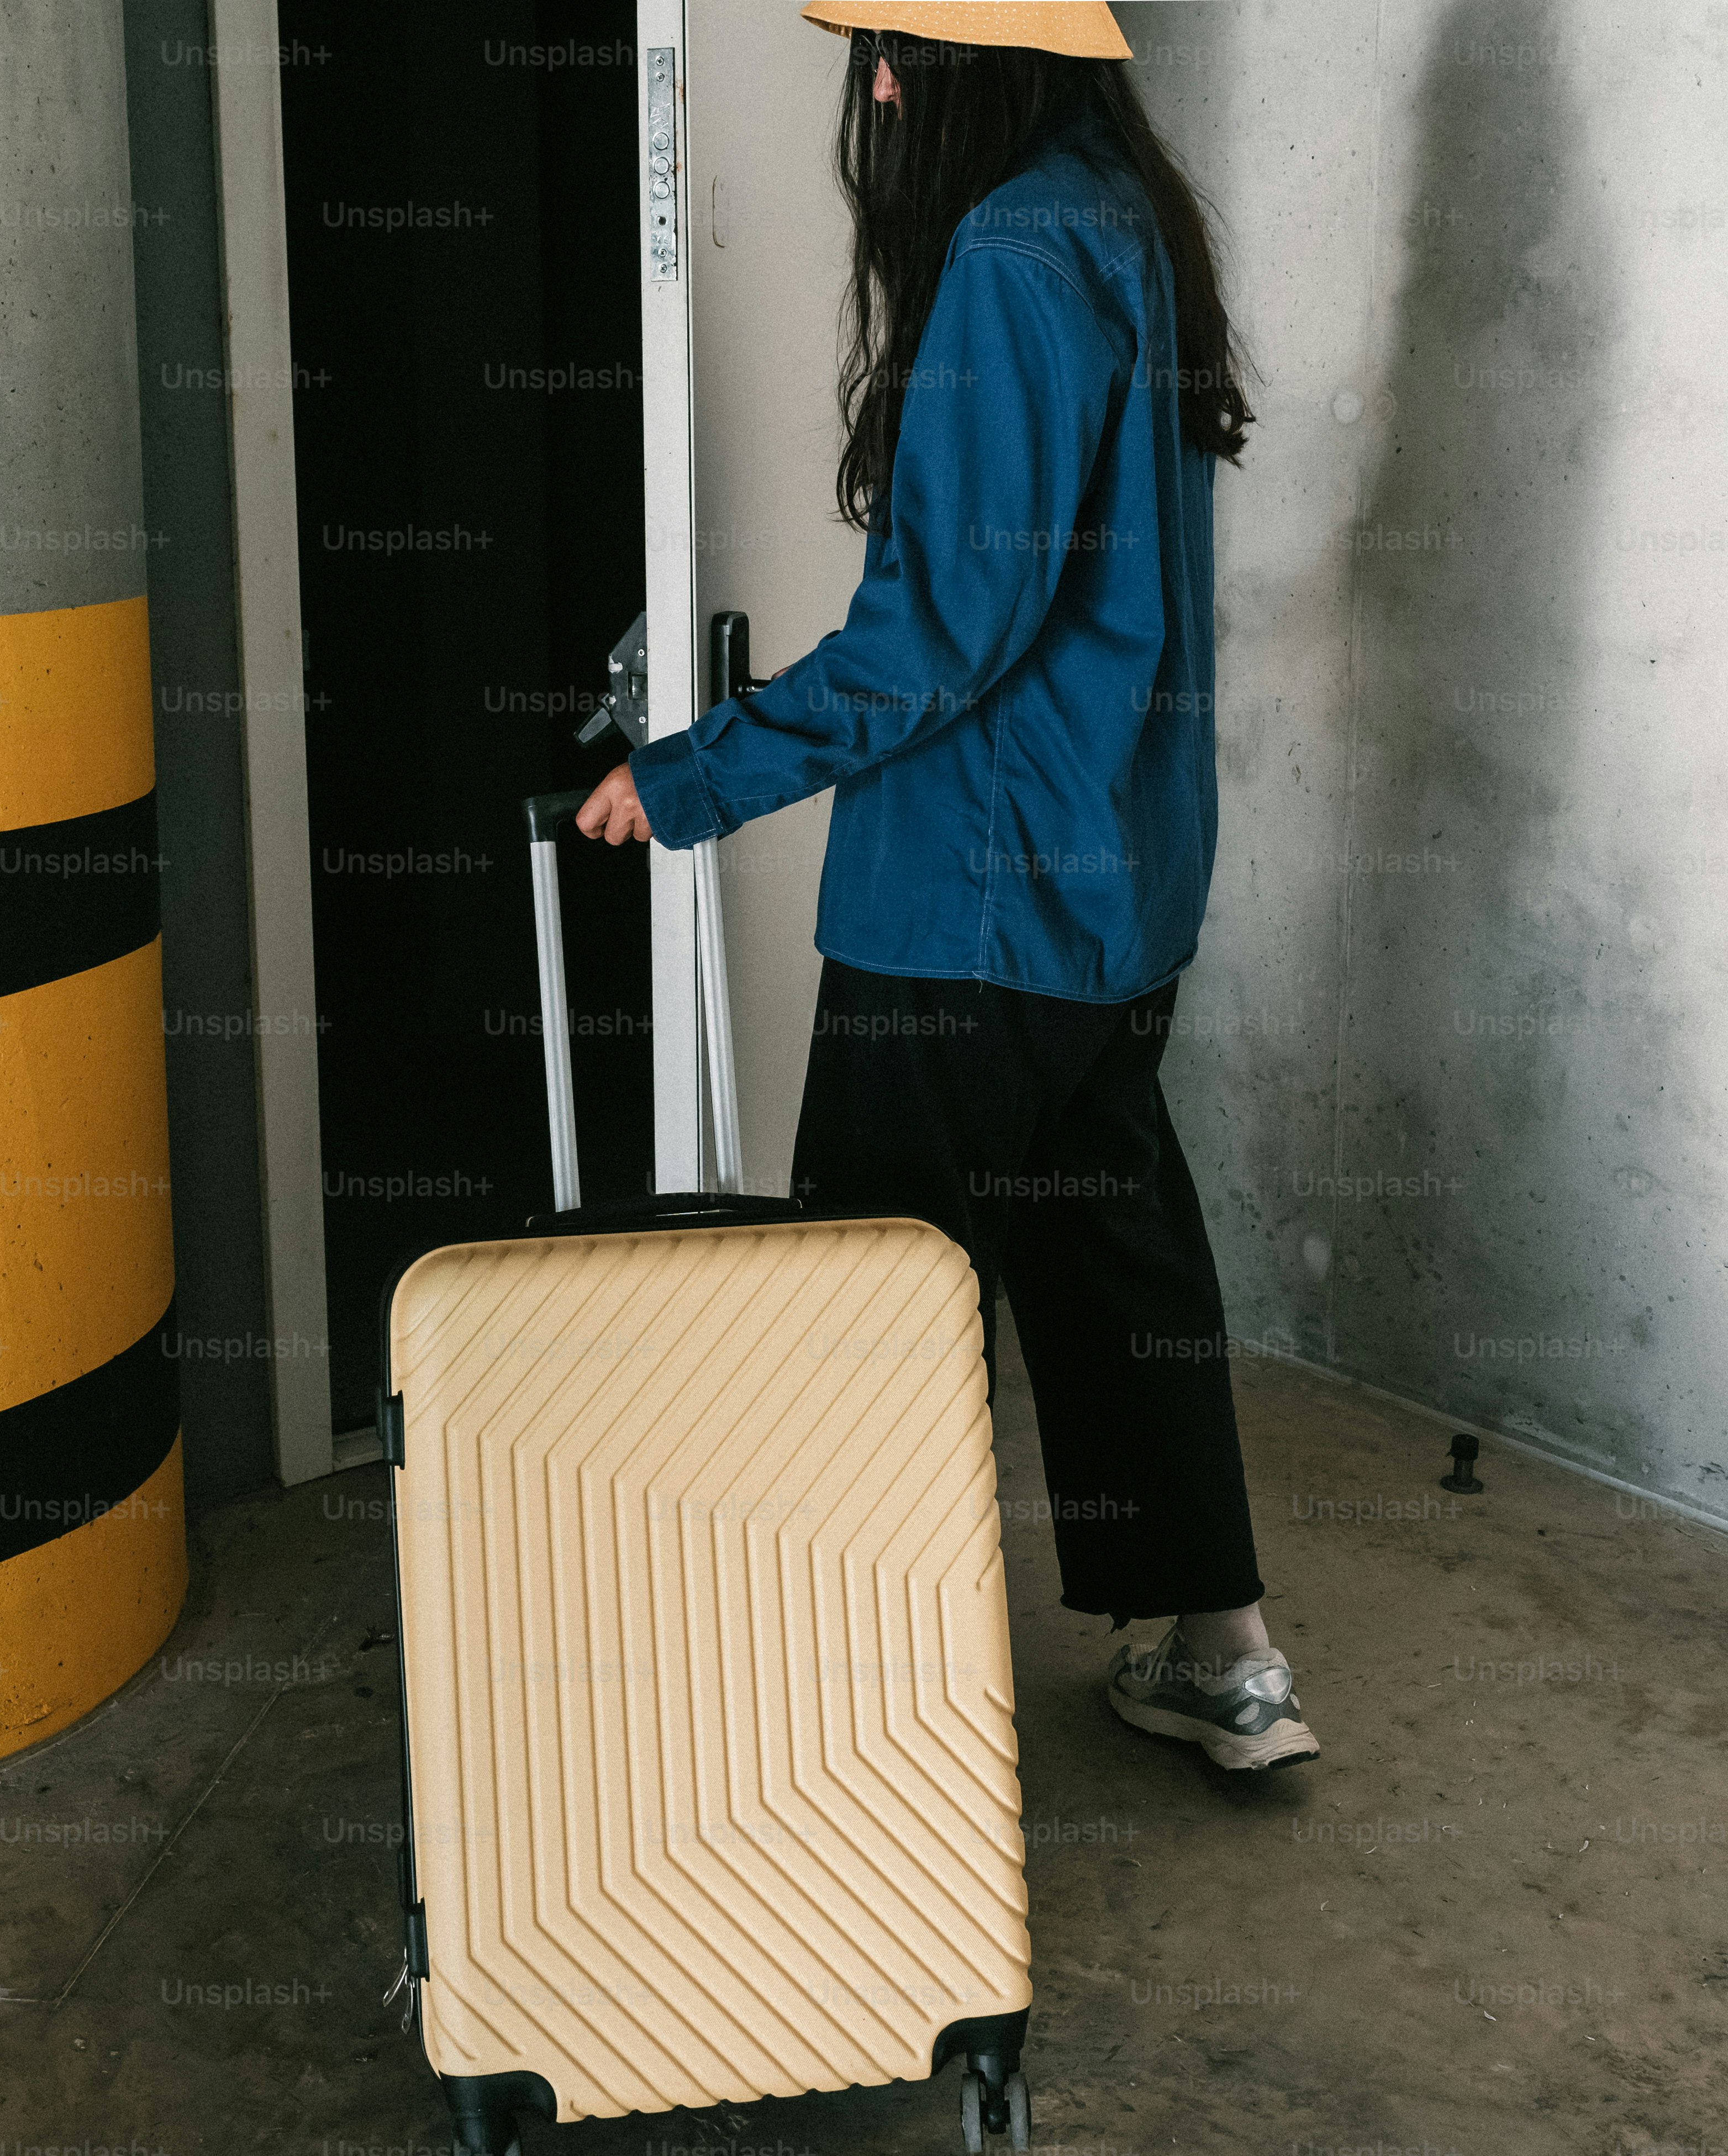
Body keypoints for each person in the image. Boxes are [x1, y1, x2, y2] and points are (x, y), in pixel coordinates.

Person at [574, 0, 1315, 1775]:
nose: (885, 85)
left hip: (967, 900)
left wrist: (684, 778)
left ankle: (849, 1712)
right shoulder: (1133, 227)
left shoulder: (1005, 252)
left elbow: (940, 637)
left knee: (870, 1303)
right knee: (1108, 1262)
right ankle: (1224, 1663)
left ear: (997, 62)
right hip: (1116, 886)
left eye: (907, 50)